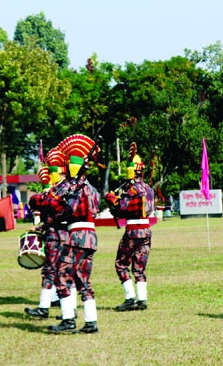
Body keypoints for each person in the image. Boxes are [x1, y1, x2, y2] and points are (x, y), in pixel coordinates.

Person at [48, 134, 100, 334]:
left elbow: (63, 208)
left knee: (62, 276)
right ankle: (91, 321)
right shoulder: (92, 189)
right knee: (82, 279)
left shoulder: (72, 187)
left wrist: (54, 214)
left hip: (76, 235)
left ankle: (68, 319)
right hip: (91, 236)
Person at [105, 142, 154, 311]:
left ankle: (130, 298)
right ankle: (142, 299)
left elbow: (123, 208)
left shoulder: (131, 190)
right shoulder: (149, 189)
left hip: (133, 231)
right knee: (139, 266)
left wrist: (112, 200)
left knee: (122, 264)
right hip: (147, 231)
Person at [24, 151, 71, 319]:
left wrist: (44, 196)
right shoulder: (60, 188)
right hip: (60, 233)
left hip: (58, 235)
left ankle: (44, 307)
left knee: (52, 270)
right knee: (63, 271)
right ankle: (68, 310)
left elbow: (43, 202)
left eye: (53, 172)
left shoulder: (63, 189)